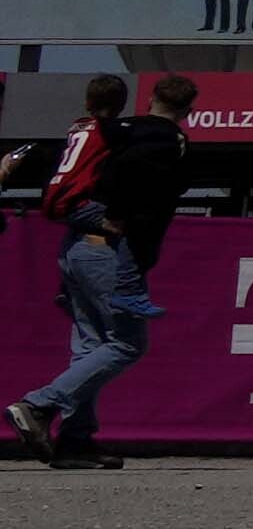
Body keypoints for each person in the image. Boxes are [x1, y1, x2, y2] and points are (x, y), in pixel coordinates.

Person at [27, 72, 202, 469]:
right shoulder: (165, 140)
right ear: (189, 111)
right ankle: (38, 405)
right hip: (109, 251)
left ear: (149, 99)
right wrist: (123, 218)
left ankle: (75, 441)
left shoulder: (112, 130)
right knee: (127, 343)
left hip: (75, 246)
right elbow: (138, 182)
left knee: (90, 346)